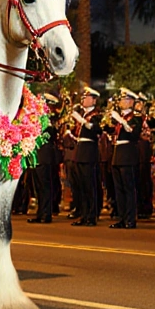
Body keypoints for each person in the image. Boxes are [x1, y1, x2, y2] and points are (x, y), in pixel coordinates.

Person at [109, 89, 143, 229]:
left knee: (129, 188)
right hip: (117, 153)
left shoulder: (135, 117)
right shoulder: (117, 118)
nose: (120, 102)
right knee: (119, 189)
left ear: (130, 101)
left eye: (123, 100)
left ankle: (130, 219)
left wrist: (122, 122)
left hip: (128, 154)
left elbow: (134, 134)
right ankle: (122, 218)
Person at [69, 87, 102, 226]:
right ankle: (83, 214)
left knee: (90, 185)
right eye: (83, 97)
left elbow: (97, 130)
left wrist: (84, 122)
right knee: (81, 186)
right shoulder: (82, 114)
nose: (83, 100)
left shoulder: (97, 115)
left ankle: (92, 215)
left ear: (94, 100)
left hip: (89, 151)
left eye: (87, 97)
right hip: (80, 151)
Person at [27, 93, 62, 224]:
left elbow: (50, 134)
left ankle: (46, 214)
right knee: (38, 186)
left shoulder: (51, 118)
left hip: (45, 155)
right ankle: (40, 212)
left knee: (45, 186)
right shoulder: (36, 117)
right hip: (37, 155)